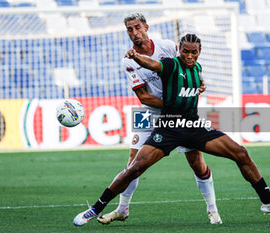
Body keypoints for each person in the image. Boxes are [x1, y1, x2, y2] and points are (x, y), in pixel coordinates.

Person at [73, 33, 270, 227]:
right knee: (134, 168)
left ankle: (268, 202)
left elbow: (197, 82)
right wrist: (135, 56)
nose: (190, 56)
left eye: (194, 53)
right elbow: (154, 65)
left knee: (241, 153)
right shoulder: (171, 64)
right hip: (169, 126)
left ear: (199, 52)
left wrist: (202, 84)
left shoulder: (197, 69)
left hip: (193, 125)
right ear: (179, 50)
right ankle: (95, 208)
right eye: (186, 52)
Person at [75, 13, 221, 226]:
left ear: (146, 27)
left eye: (137, 27)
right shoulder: (127, 61)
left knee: (197, 162)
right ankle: (122, 209)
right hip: (148, 111)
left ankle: (213, 210)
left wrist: (199, 82)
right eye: (130, 29)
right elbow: (144, 96)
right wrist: (176, 103)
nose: (135, 33)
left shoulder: (168, 46)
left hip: (180, 113)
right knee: (133, 164)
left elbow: (189, 67)